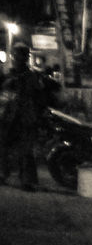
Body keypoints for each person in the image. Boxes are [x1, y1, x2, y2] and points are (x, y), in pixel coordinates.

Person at [1, 43, 53, 190]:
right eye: (14, 55)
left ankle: (26, 180)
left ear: (24, 57)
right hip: (9, 116)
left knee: (25, 150)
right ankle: (4, 174)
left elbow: (39, 97)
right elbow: (5, 93)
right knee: (4, 146)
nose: (15, 58)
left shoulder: (31, 77)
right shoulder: (10, 75)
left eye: (18, 55)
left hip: (25, 118)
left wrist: (37, 115)